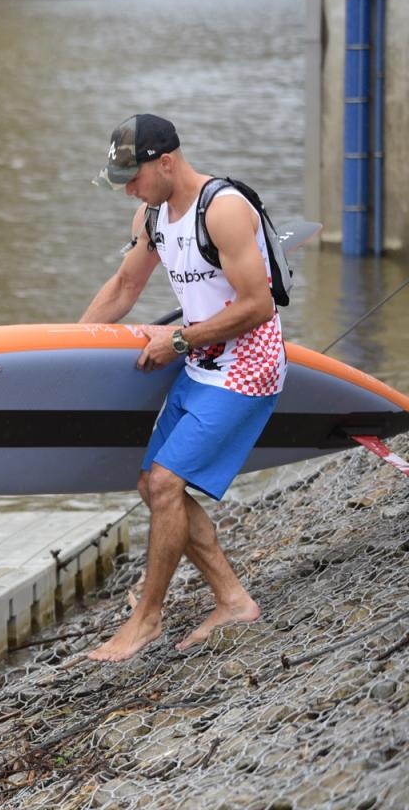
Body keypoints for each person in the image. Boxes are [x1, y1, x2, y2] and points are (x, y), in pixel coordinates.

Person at [80, 114, 285, 662]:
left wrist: (178, 342)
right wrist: (70, 348)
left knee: (167, 485)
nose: (128, 188)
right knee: (152, 486)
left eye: (134, 176)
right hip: (199, 361)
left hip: (249, 365)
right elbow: (125, 285)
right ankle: (233, 600)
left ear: (165, 161)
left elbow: (257, 305)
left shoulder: (223, 210)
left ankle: (145, 620)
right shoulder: (151, 214)